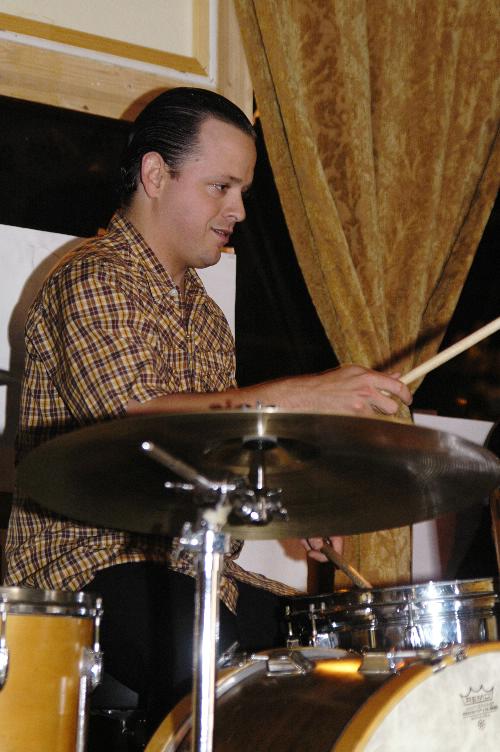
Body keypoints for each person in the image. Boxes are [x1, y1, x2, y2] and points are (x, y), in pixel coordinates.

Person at [4, 87, 412, 746]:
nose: (239, 210)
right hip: (88, 568)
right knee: (218, 656)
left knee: (333, 651)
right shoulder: (94, 279)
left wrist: (299, 504)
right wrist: (303, 395)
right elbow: (139, 419)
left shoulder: (206, 316)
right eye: (221, 186)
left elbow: (213, 452)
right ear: (155, 175)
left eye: (242, 190)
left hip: (193, 569)